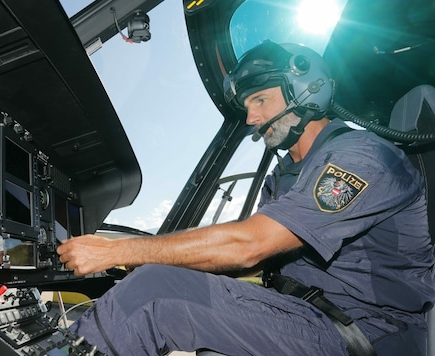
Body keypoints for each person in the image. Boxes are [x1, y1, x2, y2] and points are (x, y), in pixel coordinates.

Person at [57, 41, 435, 355]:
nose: (251, 118)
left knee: (153, 294)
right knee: (163, 280)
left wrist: (119, 250)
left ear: (306, 90)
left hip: (367, 334)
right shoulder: (286, 174)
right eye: (246, 107)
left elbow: (250, 246)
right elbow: (251, 259)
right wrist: (164, 259)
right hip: (309, 317)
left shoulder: (362, 156)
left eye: (259, 100)